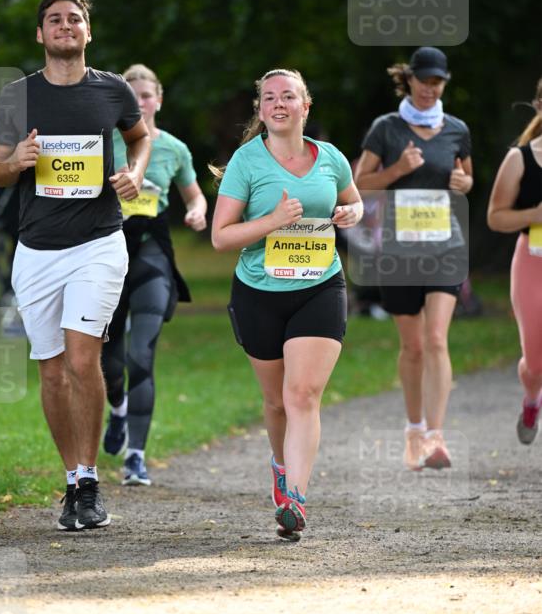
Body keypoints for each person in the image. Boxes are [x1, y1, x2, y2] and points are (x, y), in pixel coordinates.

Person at [0, 0, 151, 531]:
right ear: (40, 34)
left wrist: (135, 171)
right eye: (54, 20)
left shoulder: (112, 90)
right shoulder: (18, 95)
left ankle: (91, 482)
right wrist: (18, 159)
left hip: (100, 243)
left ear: (88, 31)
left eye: (74, 19)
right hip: (36, 249)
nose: (64, 26)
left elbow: (139, 135)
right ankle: (71, 480)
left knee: (84, 360)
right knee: (52, 369)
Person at [211, 68, 363, 541]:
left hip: (321, 285)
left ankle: (295, 497)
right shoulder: (246, 162)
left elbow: (355, 203)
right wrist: (273, 219)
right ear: (261, 109)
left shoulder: (331, 158)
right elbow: (220, 237)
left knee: (303, 395)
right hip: (258, 292)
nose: (279, 104)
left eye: (288, 96)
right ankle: (281, 466)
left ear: (305, 106)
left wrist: (349, 213)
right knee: (276, 402)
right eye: (270, 98)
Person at [354, 47, 473, 470]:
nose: (429, 88)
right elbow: (359, 183)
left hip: (445, 246)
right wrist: (396, 171)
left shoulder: (456, 129)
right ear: (410, 80)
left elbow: (466, 177)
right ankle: (414, 430)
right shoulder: (386, 129)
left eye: (437, 82)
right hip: (400, 251)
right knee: (414, 346)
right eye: (423, 80)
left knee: (438, 339)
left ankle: (436, 438)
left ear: (444, 83)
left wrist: (463, 181)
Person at [101, 64, 207, 484]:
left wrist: (198, 211)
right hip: (106, 254)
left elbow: (194, 194)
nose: (140, 101)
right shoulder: (102, 141)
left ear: (158, 100)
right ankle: (118, 410)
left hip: (152, 254)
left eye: (147, 95)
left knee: (140, 354)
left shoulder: (175, 149)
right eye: (132, 94)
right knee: (109, 364)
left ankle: (136, 457)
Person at [487, 79, 542, 444]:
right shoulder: (520, 158)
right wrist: (535, 213)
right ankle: (532, 398)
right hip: (533, 262)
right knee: (536, 362)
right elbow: (495, 217)